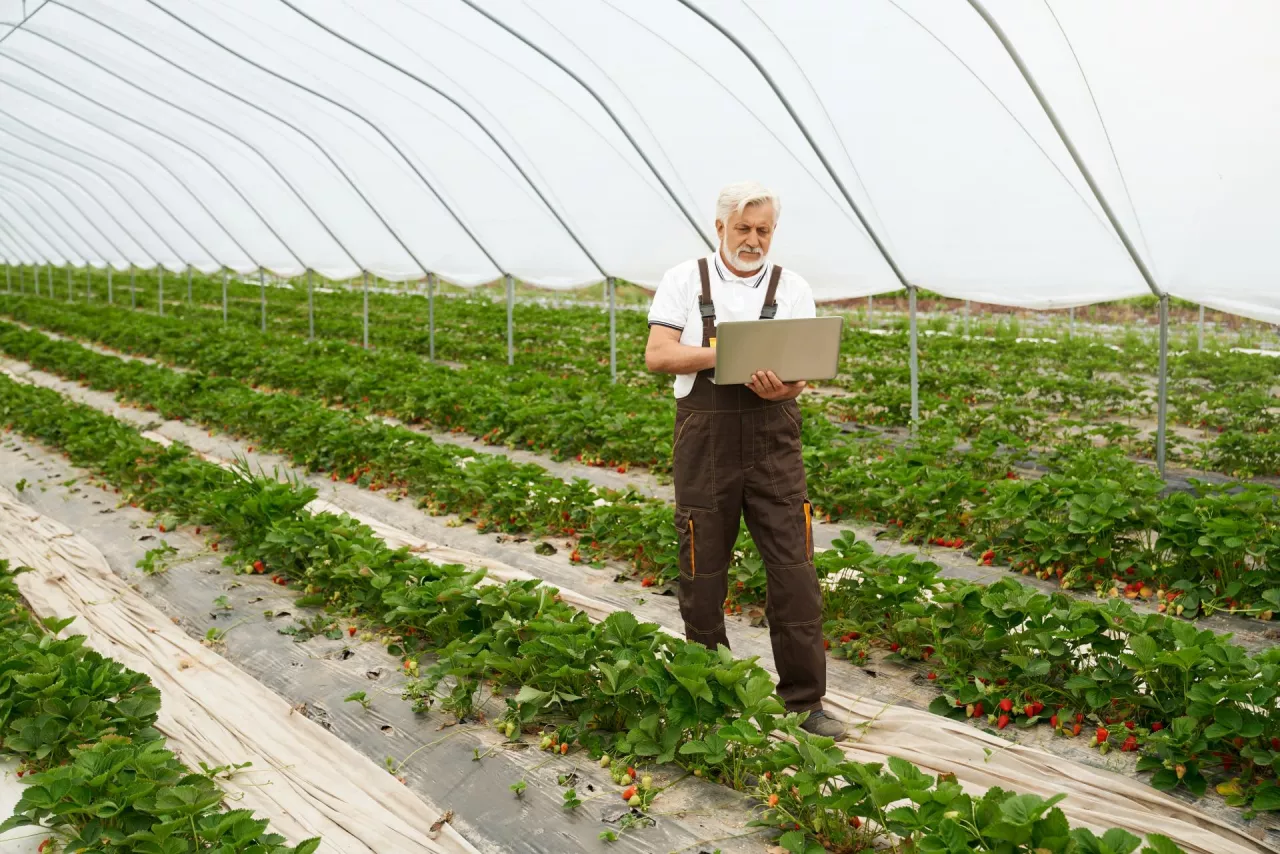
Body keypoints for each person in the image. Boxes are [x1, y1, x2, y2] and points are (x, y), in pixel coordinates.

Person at [644, 181, 844, 739]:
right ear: (720, 228)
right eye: (743, 229)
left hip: (772, 440)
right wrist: (725, 354)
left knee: (794, 568)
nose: (753, 240)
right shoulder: (685, 280)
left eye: (763, 230)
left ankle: (804, 701)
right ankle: (713, 690)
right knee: (702, 567)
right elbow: (658, 354)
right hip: (705, 441)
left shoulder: (792, 287)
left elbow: (801, 375)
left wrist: (785, 387)